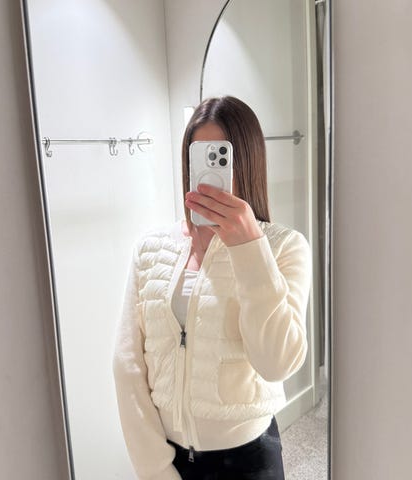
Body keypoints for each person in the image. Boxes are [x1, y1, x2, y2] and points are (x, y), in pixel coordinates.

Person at [113, 96, 312, 480]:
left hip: (249, 461)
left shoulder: (284, 248)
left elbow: (276, 363)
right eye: (199, 158)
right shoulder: (150, 249)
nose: (208, 174)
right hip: (168, 458)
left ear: (246, 163)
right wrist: (155, 469)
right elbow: (127, 364)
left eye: (220, 158)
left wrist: (249, 246)